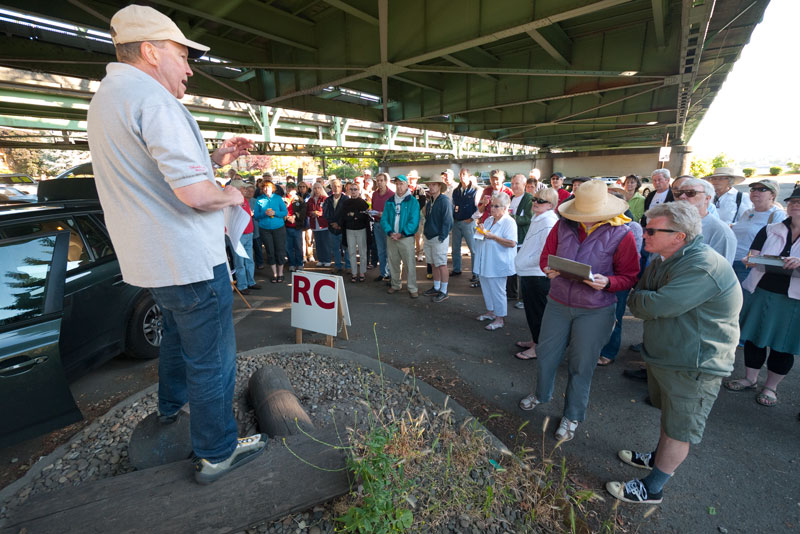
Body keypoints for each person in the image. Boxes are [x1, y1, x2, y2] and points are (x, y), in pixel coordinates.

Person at [86, 4, 266, 485]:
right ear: (150, 52)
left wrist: (215, 157)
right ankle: (217, 452)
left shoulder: (109, 97)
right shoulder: (157, 101)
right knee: (214, 361)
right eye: (182, 56)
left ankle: (172, 411)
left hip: (153, 262)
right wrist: (233, 191)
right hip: (190, 260)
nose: (189, 68)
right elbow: (193, 193)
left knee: (175, 342)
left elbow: (155, 174)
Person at [606, 201, 741, 505]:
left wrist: (641, 300)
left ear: (679, 236)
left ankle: (653, 488)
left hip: (694, 362)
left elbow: (651, 304)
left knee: (681, 428)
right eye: (645, 226)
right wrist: (642, 299)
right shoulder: (666, 258)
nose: (644, 234)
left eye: (652, 230)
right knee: (671, 417)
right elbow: (642, 295)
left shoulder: (702, 265)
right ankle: (657, 458)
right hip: (671, 356)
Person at [518, 180, 639, 442]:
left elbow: (629, 276)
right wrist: (548, 269)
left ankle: (572, 414)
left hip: (595, 310)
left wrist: (608, 282)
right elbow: (545, 258)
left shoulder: (622, 233)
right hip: (559, 303)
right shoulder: (563, 225)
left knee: (581, 365)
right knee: (547, 354)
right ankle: (541, 394)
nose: (585, 219)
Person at [723, 187, 800, 407]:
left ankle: (771, 387)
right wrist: (753, 259)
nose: (795, 205)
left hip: (793, 299)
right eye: (793, 201)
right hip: (762, 290)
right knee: (754, 338)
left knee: (783, 345)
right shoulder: (770, 229)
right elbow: (753, 254)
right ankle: (750, 378)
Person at [597, 189, 644, 366]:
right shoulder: (602, 224)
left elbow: (634, 258)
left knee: (615, 317)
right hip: (601, 278)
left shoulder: (632, 227)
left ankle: (609, 352)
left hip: (619, 279)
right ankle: (599, 347)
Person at [513, 187, 559, 359]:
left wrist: (523, 261)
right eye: (534, 199)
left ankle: (539, 347)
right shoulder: (538, 218)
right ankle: (535, 340)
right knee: (532, 311)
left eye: (540, 200)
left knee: (538, 312)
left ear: (550, 205)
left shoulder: (548, 222)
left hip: (537, 274)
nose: (535, 203)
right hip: (528, 272)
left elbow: (544, 253)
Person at [473, 192, 518, 330]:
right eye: (492, 205)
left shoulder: (509, 222)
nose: (492, 208)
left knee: (498, 290)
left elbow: (511, 243)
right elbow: (486, 236)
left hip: (499, 262)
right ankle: (491, 311)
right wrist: (481, 232)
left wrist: (493, 237)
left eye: (496, 206)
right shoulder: (488, 220)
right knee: (486, 287)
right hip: (485, 260)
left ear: (505, 208)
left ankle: (500, 318)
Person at [730, 179, 787, 281]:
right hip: (732, 260)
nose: (755, 192)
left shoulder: (777, 214)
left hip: (749, 265)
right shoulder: (748, 212)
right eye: (753, 189)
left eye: (762, 189)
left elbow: (777, 243)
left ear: (772, 195)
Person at [674, 178, 736, 263]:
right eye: (679, 193)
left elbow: (720, 270)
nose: (682, 196)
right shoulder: (670, 223)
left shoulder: (720, 231)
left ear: (707, 198)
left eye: (690, 193)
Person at [382, 174, 420, 298]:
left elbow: (414, 221)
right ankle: (395, 284)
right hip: (392, 237)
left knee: (409, 263)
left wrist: (402, 233)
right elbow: (384, 219)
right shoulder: (390, 201)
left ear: (406, 185)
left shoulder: (413, 201)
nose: (399, 186)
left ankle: (412, 287)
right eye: (397, 184)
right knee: (393, 262)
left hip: (406, 238)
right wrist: (390, 232)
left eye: (401, 184)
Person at [421, 175, 454, 302]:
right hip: (430, 236)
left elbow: (448, 220)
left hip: (438, 237)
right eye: (430, 185)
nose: (431, 187)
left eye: (434, 184)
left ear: (440, 186)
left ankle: (444, 291)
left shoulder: (444, 200)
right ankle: (436, 287)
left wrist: (442, 236)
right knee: (433, 263)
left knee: (441, 264)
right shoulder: (430, 202)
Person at [254, 180, 288, 283]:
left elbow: (284, 212)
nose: (266, 189)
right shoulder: (259, 200)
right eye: (264, 187)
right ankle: (274, 274)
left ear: (272, 188)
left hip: (279, 228)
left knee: (280, 250)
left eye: (268, 187)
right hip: (265, 229)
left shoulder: (278, 198)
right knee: (270, 251)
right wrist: (265, 213)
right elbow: (256, 216)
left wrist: (275, 212)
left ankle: (281, 273)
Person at [507, 174, 533, 301]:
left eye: (517, 183)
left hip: (523, 238)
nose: (514, 186)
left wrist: (510, 218)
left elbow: (528, 218)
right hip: (511, 238)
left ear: (524, 185)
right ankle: (511, 294)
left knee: (521, 269)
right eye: (512, 183)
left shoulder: (529, 199)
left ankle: (523, 299)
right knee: (511, 266)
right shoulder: (511, 198)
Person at [230, 180, 260, 294]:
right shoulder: (233, 201)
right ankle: (242, 285)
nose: (245, 190)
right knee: (240, 262)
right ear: (237, 188)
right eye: (243, 188)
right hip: (239, 235)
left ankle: (250, 282)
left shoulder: (243, 200)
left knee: (249, 260)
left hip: (248, 233)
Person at [451, 169, 481, 278]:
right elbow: (452, 205)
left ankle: (475, 273)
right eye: (460, 174)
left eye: (464, 174)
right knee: (455, 248)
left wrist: (472, 218)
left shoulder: (476, 190)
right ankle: (456, 269)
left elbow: (480, 208)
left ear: (469, 176)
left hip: (468, 223)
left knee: (473, 249)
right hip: (456, 222)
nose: (462, 176)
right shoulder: (456, 190)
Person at [340, 182, 370, 282]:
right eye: (351, 189)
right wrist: (355, 215)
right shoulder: (345, 203)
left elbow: (364, 216)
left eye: (355, 189)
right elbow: (344, 217)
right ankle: (354, 273)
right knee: (351, 253)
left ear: (359, 190)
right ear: (349, 191)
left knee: (362, 252)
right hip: (349, 230)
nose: (353, 191)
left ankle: (362, 272)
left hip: (361, 230)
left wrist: (353, 215)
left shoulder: (363, 203)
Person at [322, 178, 351, 273]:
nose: (336, 188)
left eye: (338, 186)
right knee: (335, 249)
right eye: (334, 186)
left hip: (343, 228)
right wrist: (333, 223)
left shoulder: (346, 199)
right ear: (331, 187)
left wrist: (339, 224)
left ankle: (348, 266)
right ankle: (338, 266)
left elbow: (347, 214)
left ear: (341, 187)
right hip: (332, 228)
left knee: (346, 249)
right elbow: (325, 213)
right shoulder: (328, 200)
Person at [371, 172, 395, 281]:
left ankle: (390, 273)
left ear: (386, 181)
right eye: (378, 181)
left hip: (388, 225)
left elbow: (394, 212)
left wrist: (383, 214)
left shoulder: (392, 195)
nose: (379, 183)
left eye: (381, 180)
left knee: (389, 250)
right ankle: (383, 272)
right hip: (376, 224)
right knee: (380, 250)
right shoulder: (374, 194)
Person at [307, 182, 331, 267]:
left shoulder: (325, 199)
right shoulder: (310, 200)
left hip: (324, 225)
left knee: (325, 243)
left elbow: (328, 211)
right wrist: (312, 213)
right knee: (318, 243)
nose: (317, 190)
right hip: (314, 225)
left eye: (318, 188)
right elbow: (307, 212)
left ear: (321, 189)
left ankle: (327, 259)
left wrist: (320, 213)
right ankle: (321, 260)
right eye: (315, 188)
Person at [285, 184, 307, 272]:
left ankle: (300, 263)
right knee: (288, 247)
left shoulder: (300, 199)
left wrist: (294, 216)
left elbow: (303, 211)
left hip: (297, 227)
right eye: (289, 188)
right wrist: (286, 217)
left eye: (293, 188)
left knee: (298, 246)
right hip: (286, 227)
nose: (291, 190)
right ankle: (291, 264)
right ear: (286, 189)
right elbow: (280, 210)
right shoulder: (282, 199)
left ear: (295, 189)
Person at [246, 183, 265, 269]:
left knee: (257, 246)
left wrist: (254, 214)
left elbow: (261, 214)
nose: (250, 193)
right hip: (245, 228)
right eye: (248, 191)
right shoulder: (241, 201)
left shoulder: (256, 201)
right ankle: (248, 265)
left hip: (255, 226)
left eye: (252, 191)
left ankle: (260, 263)